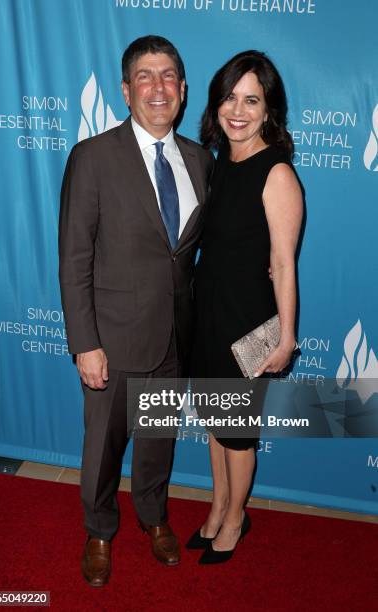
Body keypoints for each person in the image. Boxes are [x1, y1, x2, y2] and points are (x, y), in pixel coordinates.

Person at [59, 35, 213, 585]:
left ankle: (153, 517)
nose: (157, 86)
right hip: (113, 339)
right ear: (125, 90)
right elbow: (75, 258)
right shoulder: (93, 157)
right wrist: (85, 343)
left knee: (156, 441)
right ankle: (99, 530)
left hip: (174, 336)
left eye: (168, 75)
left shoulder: (199, 160)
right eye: (144, 76)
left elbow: (199, 251)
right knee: (102, 450)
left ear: (183, 89)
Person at [187, 50, 303, 564]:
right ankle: (217, 508)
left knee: (237, 433)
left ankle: (236, 519)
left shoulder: (276, 173)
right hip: (206, 310)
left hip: (248, 321)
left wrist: (286, 336)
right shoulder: (216, 166)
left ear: (268, 109)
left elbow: (283, 262)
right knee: (214, 422)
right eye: (230, 97)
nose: (238, 109)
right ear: (216, 104)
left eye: (251, 99)